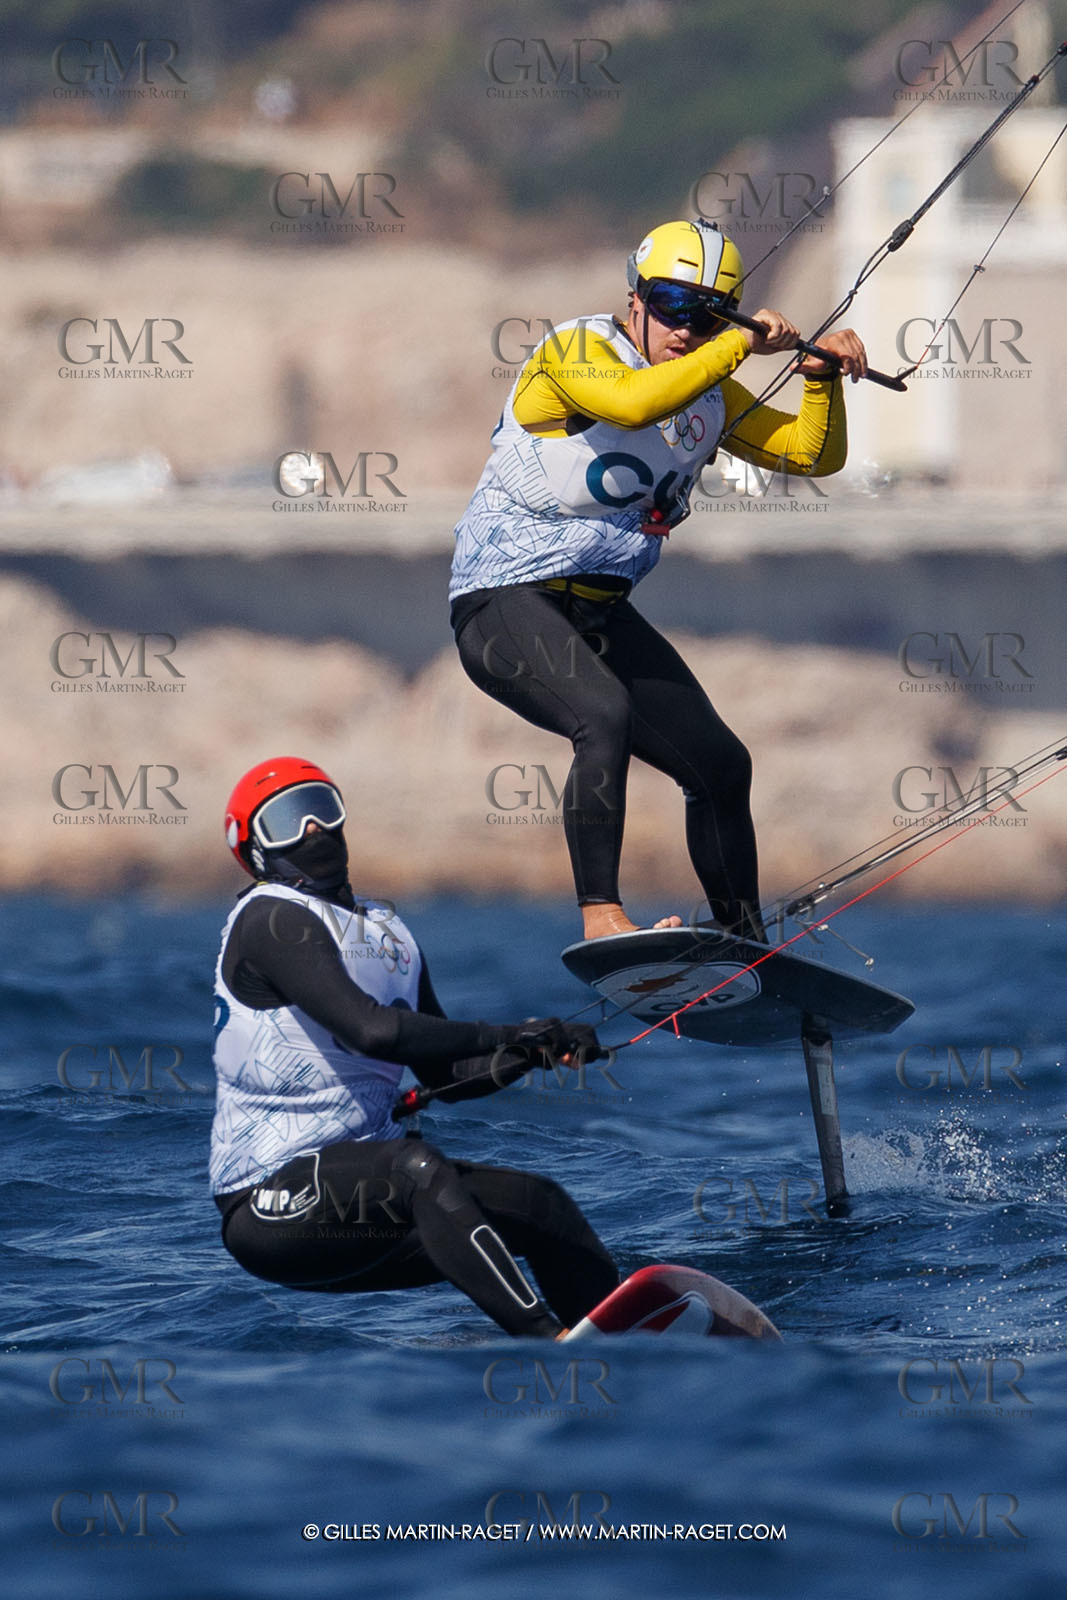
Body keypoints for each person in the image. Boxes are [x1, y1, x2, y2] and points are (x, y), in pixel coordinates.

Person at [451, 217, 868, 943]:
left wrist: (818, 379)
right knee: (601, 716)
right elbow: (631, 404)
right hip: (502, 601)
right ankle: (600, 917)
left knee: (718, 764)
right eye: (671, 305)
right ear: (635, 297)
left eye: (708, 315)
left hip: (598, 614)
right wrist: (738, 343)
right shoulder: (576, 348)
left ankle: (743, 942)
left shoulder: (707, 394)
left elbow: (809, 455)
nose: (686, 327)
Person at [210, 756, 619, 1339]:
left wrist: (536, 1050)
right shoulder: (271, 918)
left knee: (541, 1205)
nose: (313, 830)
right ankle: (549, 1346)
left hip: (370, 1202)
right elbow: (373, 1031)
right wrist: (511, 1031)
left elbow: (448, 1074)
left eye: (321, 809)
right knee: (418, 1168)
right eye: (287, 821)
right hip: (270, 1204)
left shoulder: (388, 931)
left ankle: (621, 1345)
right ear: (254, 851)